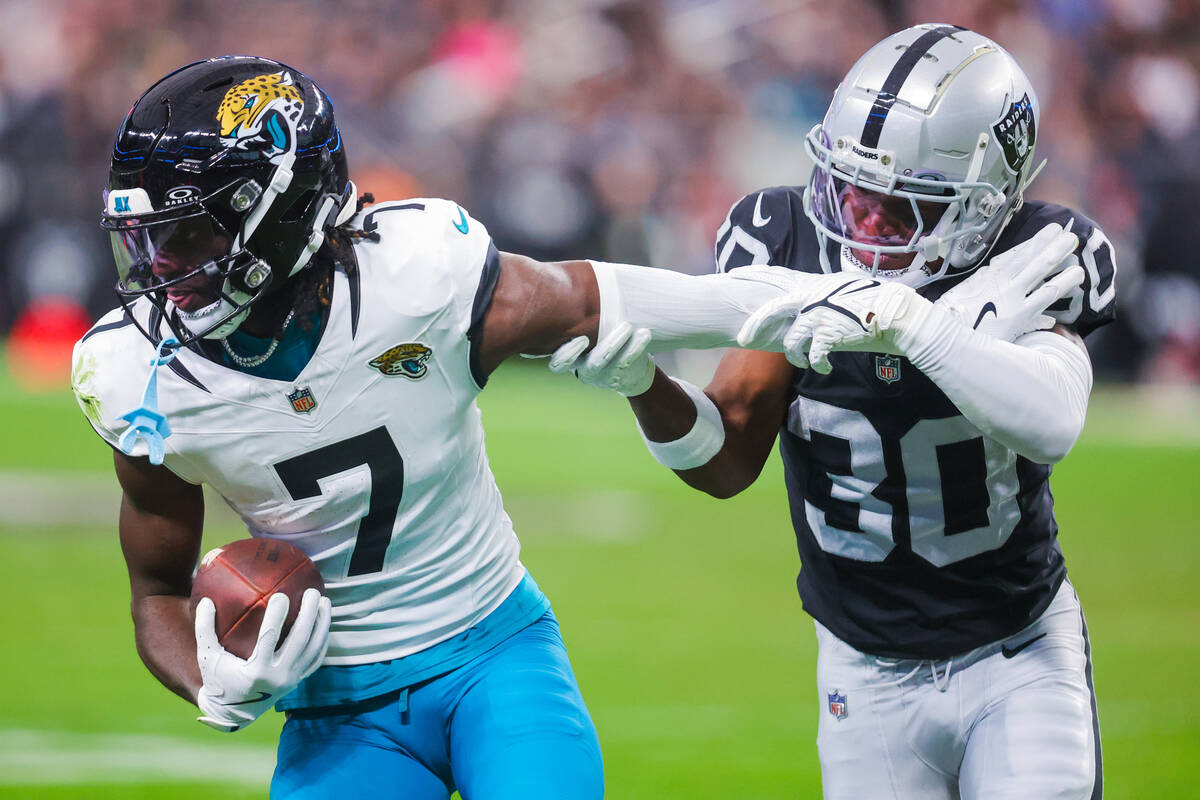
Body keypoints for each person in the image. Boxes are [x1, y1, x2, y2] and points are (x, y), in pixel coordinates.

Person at [68, 55, 889, 799]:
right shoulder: (135, 379)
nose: (160, 266)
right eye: (145, 237)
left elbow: (615, 296)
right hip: (336, 710)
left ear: (281, 210)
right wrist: (208, 681)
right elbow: (157, 591)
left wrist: (829, 305)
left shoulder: (419, 278)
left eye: (186, 232)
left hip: (496, 656)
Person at [554, 24, 1113, 800]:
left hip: (1015, 653)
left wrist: (915, 324)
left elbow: (1053, 419)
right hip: (865, 670)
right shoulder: (788, 240)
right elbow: (725, 461)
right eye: (851, 189)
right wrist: (643, 384)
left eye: (899, 204)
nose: (860, 224)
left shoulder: (1034, 256)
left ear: (984, 209)